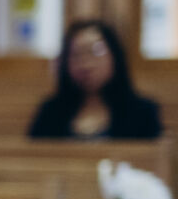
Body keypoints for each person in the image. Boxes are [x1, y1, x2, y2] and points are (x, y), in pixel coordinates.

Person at [27, 19, 164, 140]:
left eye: (95, 52)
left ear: (115, 56)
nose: (86, 64)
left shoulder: (142, 113)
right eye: (76, 55)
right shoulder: (50, 112)